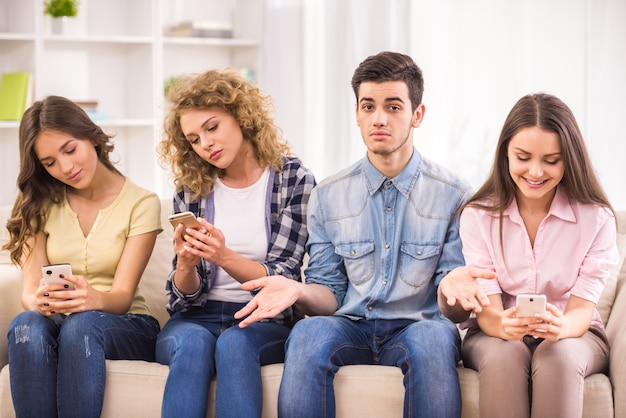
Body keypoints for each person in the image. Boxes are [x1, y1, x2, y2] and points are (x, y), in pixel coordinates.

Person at [235, 51, 491, 418]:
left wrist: (456, 290)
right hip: (350, 325)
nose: (379, 119)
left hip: (418, 326)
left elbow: (451, 308)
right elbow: (329, 292)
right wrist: (298, 290)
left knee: (435, 339)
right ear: (356, 113)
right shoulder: (328, 194)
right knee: (307, 334)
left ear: (417, 115)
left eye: (393, 107)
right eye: (368, 106)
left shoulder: (454, 194)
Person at [155, 69, 315, 418]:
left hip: (263, 318)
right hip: (196, 318)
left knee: (235, 342)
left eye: (212, 127)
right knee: (194, 343)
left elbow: (283, 274)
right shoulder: (191, 189)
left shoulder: (292, 179)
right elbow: (182, 296)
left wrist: (223, 256)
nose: (205, 144)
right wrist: (185, 265)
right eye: (194, 139)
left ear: (242, 117)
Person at [458, 93, 619, 417]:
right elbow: (487, 312)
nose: (535, 171)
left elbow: (580, 313)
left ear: (569, 159)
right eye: (523, 156)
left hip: (575, 333)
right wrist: (502, 325)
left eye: (551, 160)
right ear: (505, 153)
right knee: (506, 355)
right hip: (494, 333)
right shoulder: (478, 216)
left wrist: (560, 328)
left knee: (556, 355)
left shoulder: (597, 219)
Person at [3, 95, 162, 418]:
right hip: (64, 319)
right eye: (49, 163)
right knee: (26, 325)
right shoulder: (40, 203)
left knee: (82, 325)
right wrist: (41, 301)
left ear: (91, 136)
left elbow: (120, 297)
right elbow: (30, 293)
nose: (66, 168)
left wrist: (91, 298)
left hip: (126, 323)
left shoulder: (142, 203)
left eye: (70, 150)